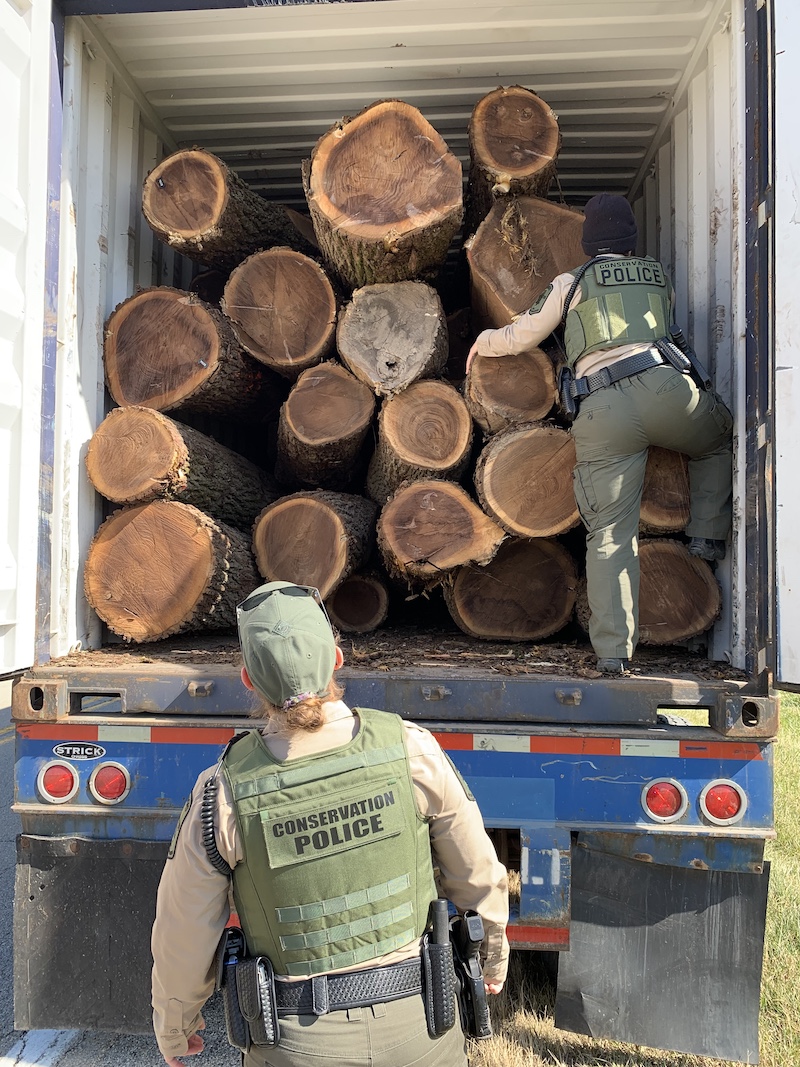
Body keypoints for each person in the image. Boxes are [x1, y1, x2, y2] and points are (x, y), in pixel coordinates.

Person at [151, 580, 509, 1067]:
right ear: (337, 659)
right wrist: (491, 957)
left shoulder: (224, 791)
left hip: (296, 1042)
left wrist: (176, 1027)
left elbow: (184, 931)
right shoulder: (410, 749)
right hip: (421, 1025)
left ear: (248, 680)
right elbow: (477, 875)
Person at [466, 193, 733, 674]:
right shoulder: (656, 276)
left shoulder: (572, 283)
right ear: (630, 240)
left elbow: (523, 334)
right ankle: (707, 538)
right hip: (667, 388)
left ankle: (614, 653)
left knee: (610, 534)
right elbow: (671, 333)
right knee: (716, 438)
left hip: (604, 409)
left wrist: (484, 342)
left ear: (589, 242)